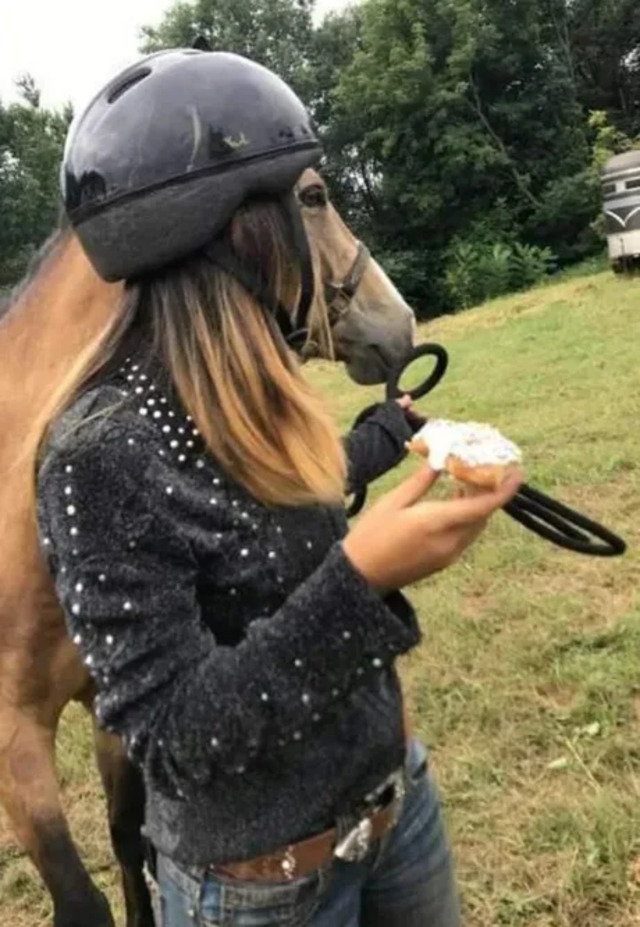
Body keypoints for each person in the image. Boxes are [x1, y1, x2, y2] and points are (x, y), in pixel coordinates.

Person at [35, 50, 521, 927]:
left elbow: (273, 503)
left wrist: (386, 436)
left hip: (395, 806)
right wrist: (364, 576)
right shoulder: (98, 454)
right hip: (261, 885)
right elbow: (175, 740)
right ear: (239, 229)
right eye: (307, 203)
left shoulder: (255, 388)